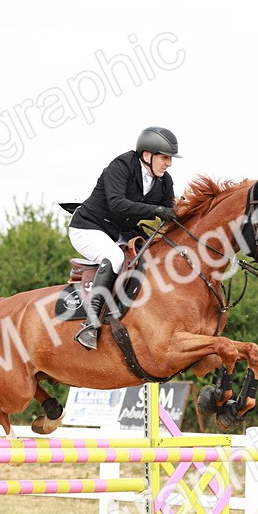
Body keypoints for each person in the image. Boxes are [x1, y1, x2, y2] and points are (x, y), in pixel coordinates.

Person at [68, 126, 180, 350]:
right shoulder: (121, 166)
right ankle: (90, 324)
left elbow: (171, 212)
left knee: (157, 257)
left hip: (121, 232)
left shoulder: (164, 181)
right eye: (165, 158)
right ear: (147, 155)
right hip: (88, 227)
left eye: (170, 159)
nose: (169, 163)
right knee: (115, 258)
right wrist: (157, 210)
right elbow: (117, 204)